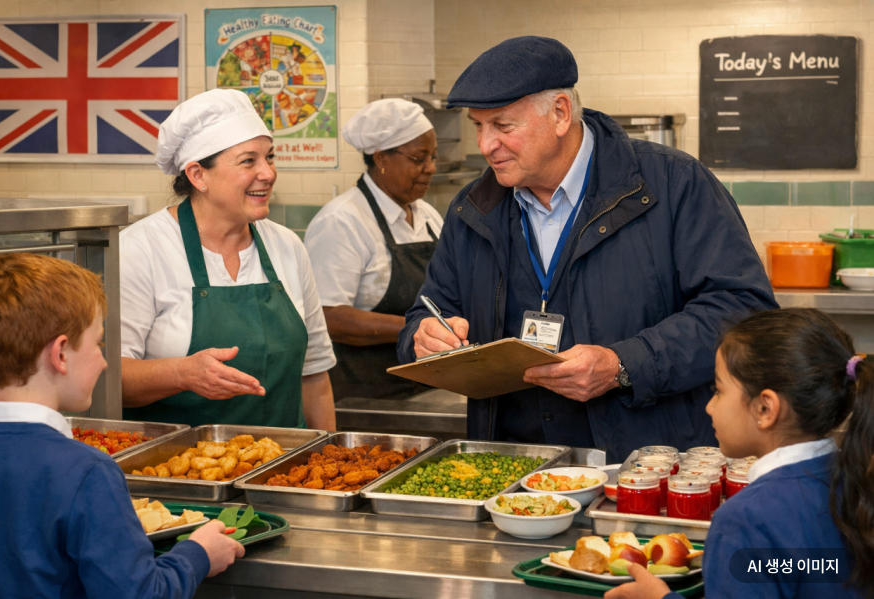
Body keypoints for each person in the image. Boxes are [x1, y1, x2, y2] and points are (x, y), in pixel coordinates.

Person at [397, 36, 777, 462]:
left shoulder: (674, 183)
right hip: (515, 470)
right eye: (478, 126)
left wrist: (623, 365)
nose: (486, 145)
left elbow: (744, 311)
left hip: (644, 469)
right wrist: (424, 338)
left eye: (503, 126)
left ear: (560, 113)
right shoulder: (472, 209)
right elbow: (426, 312)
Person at [0, 253, 245, 598]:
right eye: (98, 343)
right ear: (60, 354)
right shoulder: (87, 472)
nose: (104, 362)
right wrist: (198, 555)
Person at [606, 308, 873, 598]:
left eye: (718, 390)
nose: (710, 406)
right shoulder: (857, 482)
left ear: (765, 409)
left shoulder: (744, 521)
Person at [120, 89, 336, 430]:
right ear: (198, 175)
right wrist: (181, 373)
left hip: (285, 459)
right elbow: (109, 380)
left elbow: (313, 375)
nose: (268, 173)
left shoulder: (287, 246)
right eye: (248, 161)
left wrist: (329, 455)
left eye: (269, 157)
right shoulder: (140, 250)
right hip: (173, 460)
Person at [305, 99, 442, 400]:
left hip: (426, 386)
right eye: (419, 158)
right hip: (366, 395)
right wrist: (417, 328)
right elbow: (328, 317)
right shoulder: (341, 221)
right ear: (381, 158)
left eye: (433, 157)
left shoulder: (428, 217)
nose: (430, 168)